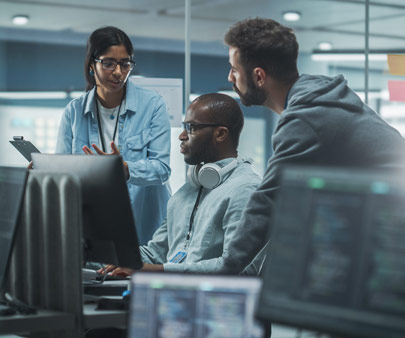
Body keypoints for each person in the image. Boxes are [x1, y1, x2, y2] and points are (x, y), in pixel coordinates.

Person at [221, 17, 405, 273]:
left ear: (259, 76)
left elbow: (266, 205)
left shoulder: (306, 118)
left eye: (234, 69)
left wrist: (222, 274)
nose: (230, 77)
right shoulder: (316, 97)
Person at [102, 93, 262, 276]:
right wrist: (104, 256)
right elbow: (155, 254)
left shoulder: (245, 190)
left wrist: (158, 270)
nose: (181, 135)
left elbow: (243, 268)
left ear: (220, 134)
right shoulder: (186, 192)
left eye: (191, 128)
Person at [56, 26, 171, 245]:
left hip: (145, 230)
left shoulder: (153, 104)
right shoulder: (74, 112)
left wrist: (125, 169)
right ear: (92, 64)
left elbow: (162, 170)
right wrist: (45, 173)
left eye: (125, 63)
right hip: (93, 227)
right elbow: (64, 172)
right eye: (109, 63)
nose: (118, 72)